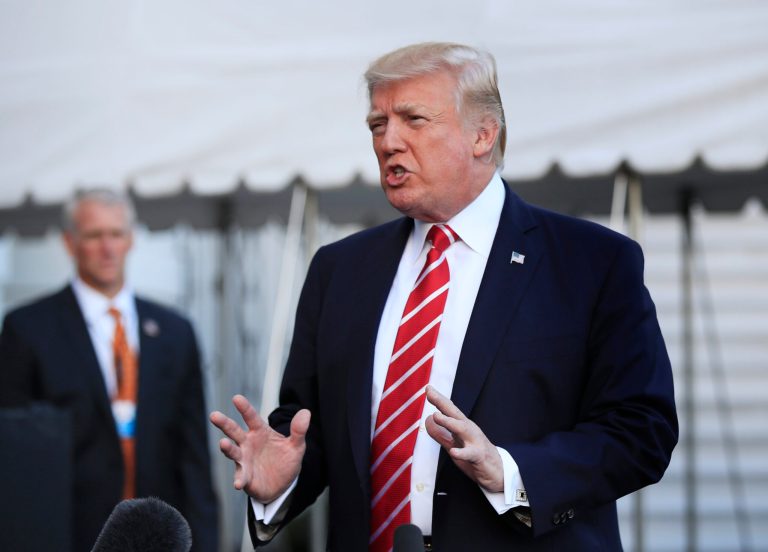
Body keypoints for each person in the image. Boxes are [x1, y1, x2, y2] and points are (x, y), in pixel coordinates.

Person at [210, 42, 678, 551]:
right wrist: (282, 483)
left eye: (413, 119)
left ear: (483, 134)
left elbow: (641, 430)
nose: (389, 141)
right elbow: (309, 432)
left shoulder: (591, 262)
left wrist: (511, 472)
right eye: (377, 125)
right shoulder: (339, 270)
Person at [0, 189, 219, 552]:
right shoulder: (27, 329)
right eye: (94, 235)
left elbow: (194, 456)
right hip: (66, 533)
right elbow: (14, 457)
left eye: (116, 234)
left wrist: (206, 542)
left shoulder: (175, 331)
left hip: (158, 536)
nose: (107, 248)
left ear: (131, 240)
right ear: (70, 243)